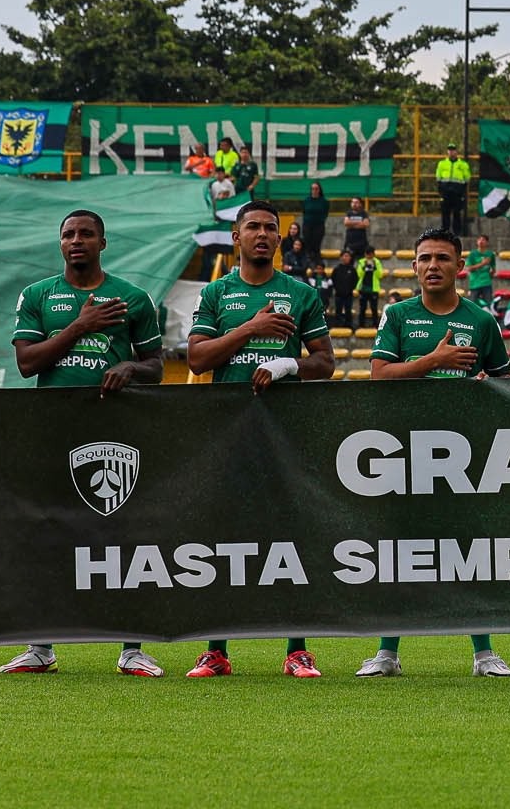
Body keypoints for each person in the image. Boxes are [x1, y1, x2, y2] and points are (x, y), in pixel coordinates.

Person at [4, 209, 167, 676]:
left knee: (122, 534)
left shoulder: (133, 298)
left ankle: (131, 648)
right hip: (52, 429)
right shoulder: (37, 295)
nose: (77, 241)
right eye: (69, 235)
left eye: (86, 234)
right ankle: (41, 646)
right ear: (60, 244)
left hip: (114, 432)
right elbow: (27, 364)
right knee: (49, 534)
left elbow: (155, 364)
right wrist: (80, 326)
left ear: (103, 242)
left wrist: (130, 368)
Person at [185, 200, 336, 679]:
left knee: (292, 539)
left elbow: (326, 362)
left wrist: (288, 363)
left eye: (271, 227)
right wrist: (251, 329)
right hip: (228, 431)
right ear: (236, 237)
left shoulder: (301, 294)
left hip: (287, 432)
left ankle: (297, 649)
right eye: (252, 227)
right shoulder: (216, 293)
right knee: (223, 540)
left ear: (280, 238)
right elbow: (196, 359)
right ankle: (216, 650)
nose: (263, 234)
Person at [359, 228, 510, 681]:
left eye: (443, 258)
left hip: (463, 454)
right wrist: (432, 361)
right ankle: (386, 651)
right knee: (398, 550)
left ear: (459, 266)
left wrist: (489, 391)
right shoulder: (399, 315)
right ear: (413, 266)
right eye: (424, 258)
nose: (433, 265)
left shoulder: (482, 321)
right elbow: (380, 376)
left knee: (469, 550)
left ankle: (484, 652)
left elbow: (506, 387)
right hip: (403, 450)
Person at [434, 142, 471, 236]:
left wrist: (462, 192)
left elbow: (467, 178)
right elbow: (438, 178)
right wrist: (441, 191)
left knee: (457, 213)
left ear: (456, 151)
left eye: (453, 150)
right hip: (445, 191)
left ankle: (457, 232)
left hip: (457, 192)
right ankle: (445, 232)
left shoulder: (463, 164)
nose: (451, 152)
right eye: (449, 150)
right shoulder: (442, 164)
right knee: (445, 212)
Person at [354, 246, 385, 331]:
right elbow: (359, 274)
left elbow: (380, 275)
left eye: (371, 254)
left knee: (374, 308)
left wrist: (374, 267)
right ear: (365, 254)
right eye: (367, 254)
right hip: (363, 288)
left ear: (373, 254)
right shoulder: (361, 262)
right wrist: (364, 267)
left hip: (373, 289)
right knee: (362, 308)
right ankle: (361, 325)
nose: (369, 256)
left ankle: (375, 324)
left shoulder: (377, 262)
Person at [464, 234, 496, 310]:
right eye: (479, 239)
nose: (481, 241)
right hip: (475, 283)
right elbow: (469, 268)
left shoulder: (490, 254)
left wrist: (490, 275)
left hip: (486, 282)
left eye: (483, 240)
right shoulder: (472, 254)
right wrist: (482, 264)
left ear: (487, 242)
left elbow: (493, 268)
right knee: (472, 305)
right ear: (477, 242)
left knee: (488, 304)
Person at [301, 182, 330, 254]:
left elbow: (326, 213)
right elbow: (304, 211)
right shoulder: (306, 200)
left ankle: (317, 262)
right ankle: (307, 261)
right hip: (307, 226)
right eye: (312, 189)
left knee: (316, 246)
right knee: (307, 245)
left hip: (319, 226)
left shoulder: (324, 201)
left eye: (316, 189)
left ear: (319, 190)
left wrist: (320, 220)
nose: (314, 190)